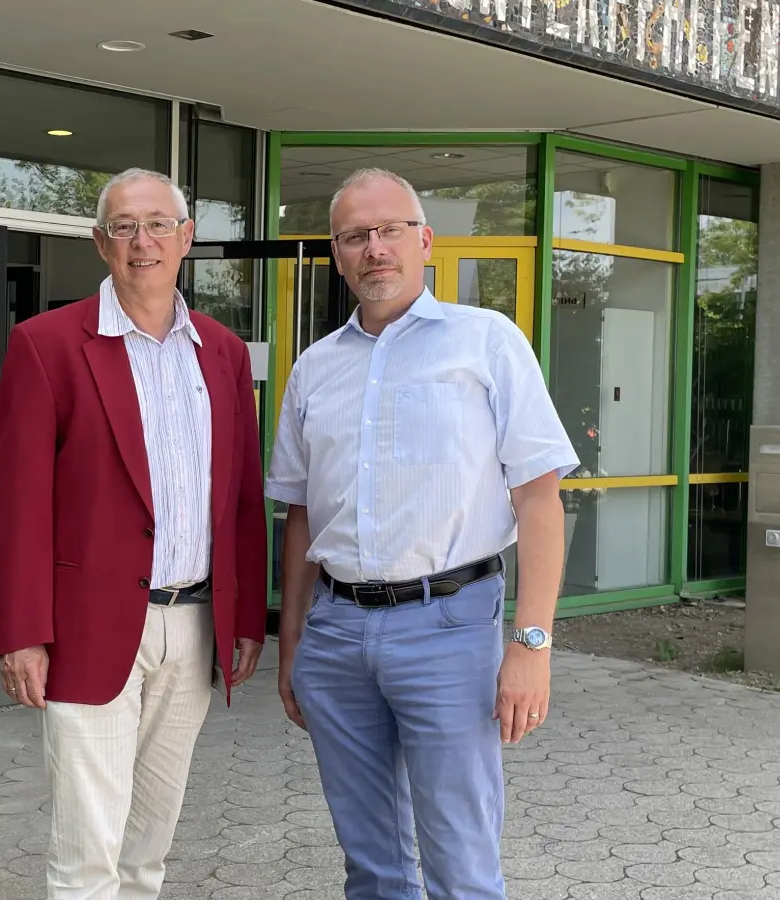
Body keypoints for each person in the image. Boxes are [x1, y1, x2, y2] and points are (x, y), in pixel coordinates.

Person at [265, 168, 577, 899]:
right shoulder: (315, 369)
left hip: (450, 627)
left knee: (460, 865)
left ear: (425, 241)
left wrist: (532, 646)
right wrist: (292, 647)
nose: (375, 248)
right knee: (371, 865)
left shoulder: (487, 342)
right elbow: (301, 513)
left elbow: (539, 499)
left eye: (389, 230)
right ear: (337, 254)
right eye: (355, 236)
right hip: (336, 636)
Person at [0, 167, 268, 900]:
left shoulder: (224, 353)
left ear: (187, 238)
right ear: (100, 243)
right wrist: (21, 632)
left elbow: (241, 496)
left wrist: (247, 617)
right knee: (87, 852)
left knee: (150, 844)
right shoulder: (47, 344)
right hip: (88, 627)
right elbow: (16, 501)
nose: (143, 240)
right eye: (124, 226)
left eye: (158, 224)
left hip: (197, 622)